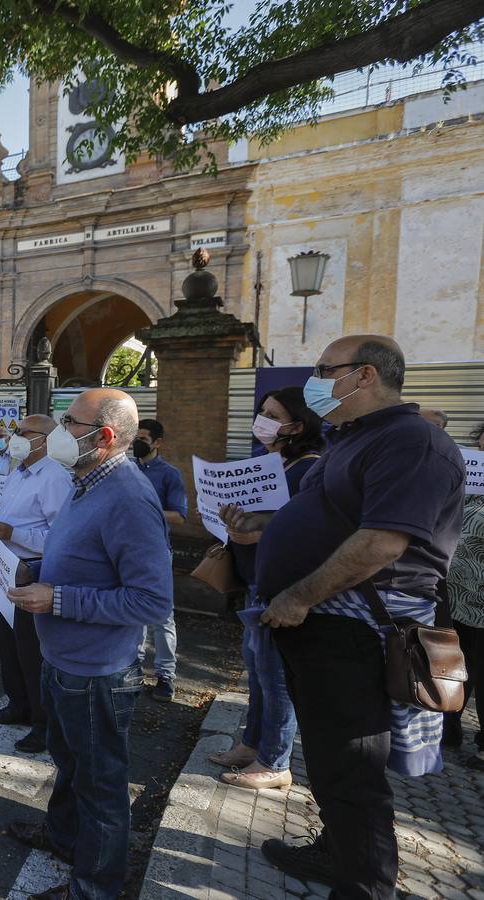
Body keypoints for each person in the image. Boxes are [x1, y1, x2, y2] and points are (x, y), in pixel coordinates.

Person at [234, 336, 463, 898]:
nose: (314, 379)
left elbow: (383, 541)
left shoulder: (413, 441)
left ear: (363, 375)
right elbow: (327, 517)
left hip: (356, 627)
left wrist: (298, 597)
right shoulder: (350, 437)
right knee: (331, 756)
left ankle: (365, 884)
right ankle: (336, 850)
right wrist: (262, 526)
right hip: (324, 626)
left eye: (323, 369)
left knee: (353, 769)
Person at [3, 388, 173, 900]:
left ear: (102, 438)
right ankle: (63, 837)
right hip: (63, 660)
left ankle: (93, 889)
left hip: (98, 672)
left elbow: (150, 602)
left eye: (69, 422)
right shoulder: (85, 480)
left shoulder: (128, 497)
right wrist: (36, 570)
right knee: (72, 761)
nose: (57, 431)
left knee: (101, 787)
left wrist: (57, 599)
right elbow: (86, 559)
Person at [207, 386, 322, 791]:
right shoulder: (275, 462)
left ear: (298, 424)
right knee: (256, 672)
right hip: (258, 582)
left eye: (273, 413)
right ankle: (252, 745)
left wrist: (253, 533)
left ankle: (275, 762)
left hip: (281, 587)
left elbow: (301, 532)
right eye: (262, 411)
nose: (263, 419)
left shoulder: (308, 469)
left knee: (275, 678)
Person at [0, 415, 72, 753]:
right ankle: (17, 704)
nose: (14, 438)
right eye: (15, 432)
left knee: (32, 652)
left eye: (22, 433)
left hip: (32, 572)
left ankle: (42, 723)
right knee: (9, 646)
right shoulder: (18, 472)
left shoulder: (54, 477)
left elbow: (60, 537)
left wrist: (15, 535)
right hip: (6, 569)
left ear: (44, 439)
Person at [132, 418, 187, 702]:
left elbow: (179, 515)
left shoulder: (170, 475)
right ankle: (135, 667)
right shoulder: (127, 470)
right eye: (135, 437)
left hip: (156, 551)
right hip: (128, 551)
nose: (137, 442)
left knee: (162, 615)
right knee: (132, 610)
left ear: (157, 442)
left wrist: (146, 509)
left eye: (143, 438)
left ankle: (165, 675)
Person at [443, 421, 484, 769]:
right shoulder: (471, 483)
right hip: (458, 594)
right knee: (458, 666)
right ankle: (449, 725)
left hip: (482, 599)